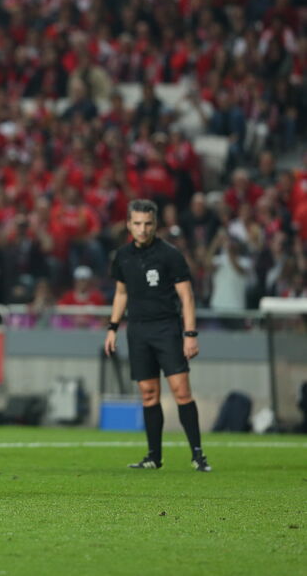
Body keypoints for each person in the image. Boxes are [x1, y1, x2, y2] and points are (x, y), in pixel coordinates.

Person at [104, 200, 211, 472]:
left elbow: (186, 297)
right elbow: (121, 293)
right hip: (137, 330)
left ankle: (198, 455)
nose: (142, 229)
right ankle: (154, 456)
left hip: (166, 328)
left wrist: (190, 334)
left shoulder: (170, 255)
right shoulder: (123, 256)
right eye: (137, 224)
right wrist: (113, 328)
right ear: (128, 224)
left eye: (148, 224)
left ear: (155, 224)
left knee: (181, 390)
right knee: (148, 393)